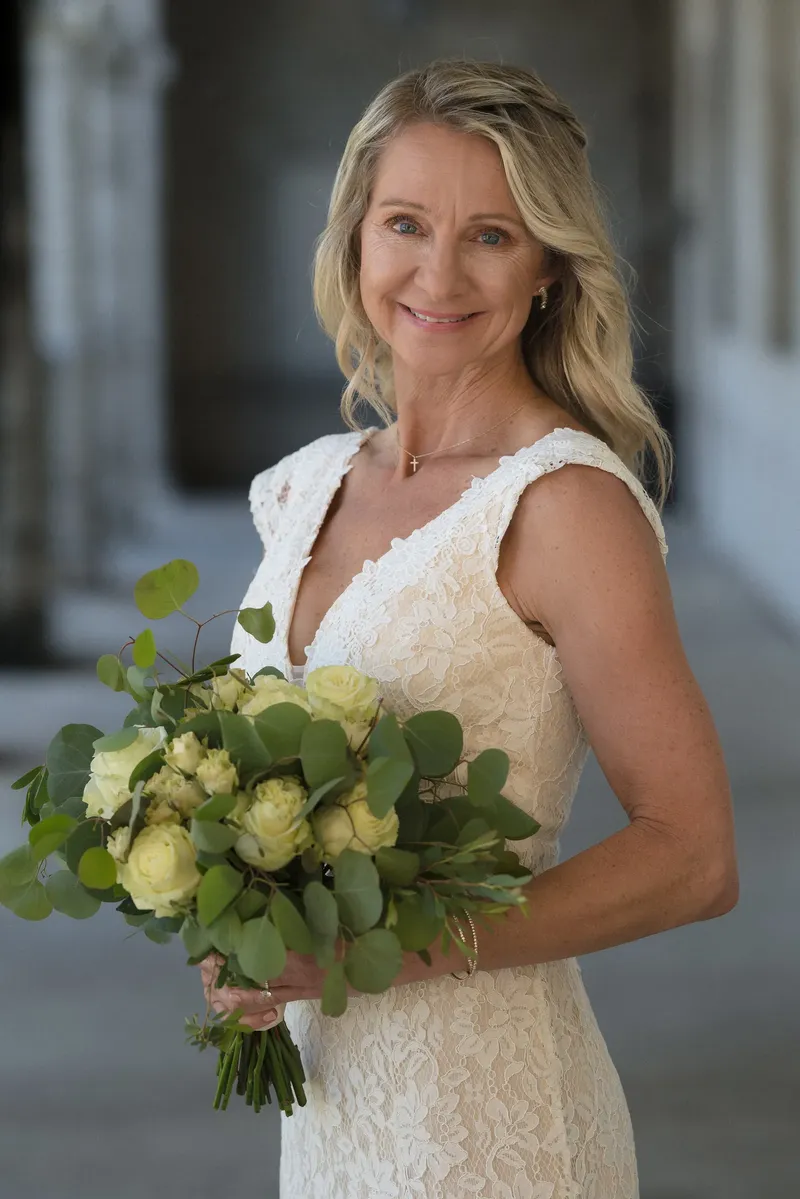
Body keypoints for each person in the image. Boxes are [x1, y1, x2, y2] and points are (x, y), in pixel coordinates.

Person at [201, 58, 738, 1198]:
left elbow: (691, 856)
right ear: (355, 239)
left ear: (546, 267)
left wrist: (364, 951)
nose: (436, 271)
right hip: (334, 1115)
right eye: (404, 222)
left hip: (496, 1128)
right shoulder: (297, 489)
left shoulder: (564, 506)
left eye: (490, 235)